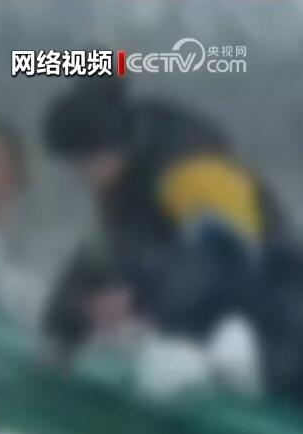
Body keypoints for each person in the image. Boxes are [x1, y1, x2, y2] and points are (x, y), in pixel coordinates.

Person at [42, 76, 303, 403]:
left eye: (85, 163)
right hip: (216, 347)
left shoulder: (194, 172)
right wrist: (65, 325)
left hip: (275, 340)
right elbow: (99, 258)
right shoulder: (124, 188)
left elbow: (229, 259)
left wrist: (139, 299)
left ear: (111, 145)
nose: (82, 177)